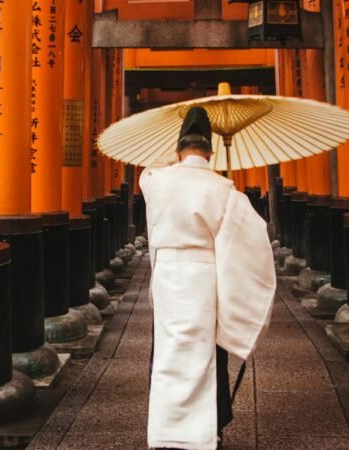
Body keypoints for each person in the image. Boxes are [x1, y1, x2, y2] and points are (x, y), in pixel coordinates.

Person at [139, 106, 276, 450]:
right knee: (207, 351)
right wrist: (229, 195)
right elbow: (249, 239)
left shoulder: (153, 180)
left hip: (168, 277)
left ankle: (165, 430)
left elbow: (150, 171)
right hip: (204, 277)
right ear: (212, 152)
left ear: (177, 149)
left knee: (168, 351)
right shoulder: (224, 189)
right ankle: (205, 429)